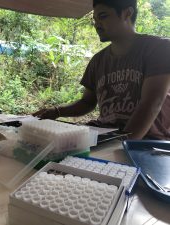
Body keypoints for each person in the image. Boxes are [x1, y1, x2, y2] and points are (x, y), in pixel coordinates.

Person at [33, 0, 170, 140]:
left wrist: (122, 143)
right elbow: (87, 102)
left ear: (127, 13)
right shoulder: (98, 61)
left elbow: (152, 103)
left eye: (103, 16)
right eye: (95, 20)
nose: (96, 25)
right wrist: (57, 111)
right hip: (104, 136)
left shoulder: (158, 49)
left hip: (147, 144)